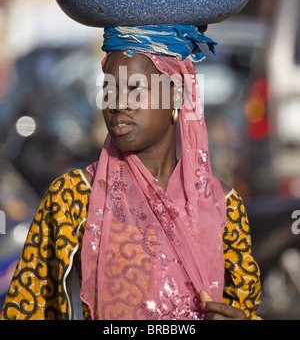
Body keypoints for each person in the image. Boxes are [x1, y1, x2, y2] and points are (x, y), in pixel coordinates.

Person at [0, 25, 261, 321]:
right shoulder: (73, 197)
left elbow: (244, 307)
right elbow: (25, 307)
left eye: (135, 89)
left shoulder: (221, 205)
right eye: (109, 89)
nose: (118, 103)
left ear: (175, 96)